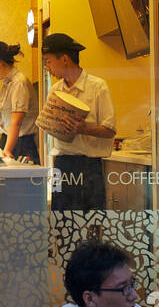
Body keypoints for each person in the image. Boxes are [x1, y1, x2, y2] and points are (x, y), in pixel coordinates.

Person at [40, 32, 116, 210]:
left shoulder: (97, 87)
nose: (47, 67)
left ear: (65, 59)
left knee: (90, 225)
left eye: (49, 61)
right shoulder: (55, 90)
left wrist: (83, 129)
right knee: (62, 225)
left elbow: (110, 129)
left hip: (89, 166)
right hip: (61, 163)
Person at [0, 40, 39, 163]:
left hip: (21, 145)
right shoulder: (8, 83)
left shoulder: (19, 83)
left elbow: (16, 122)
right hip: (11, 140)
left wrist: (7, 150)